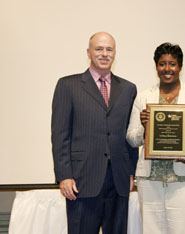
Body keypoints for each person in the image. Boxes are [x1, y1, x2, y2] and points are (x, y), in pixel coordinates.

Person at [51, 32, 138, 234]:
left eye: (109, 49)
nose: (104, 53)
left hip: (118, 180)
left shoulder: (128, 89)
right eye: (99, 49)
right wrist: (64, 176)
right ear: (89, 52)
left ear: (115, 53)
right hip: (82, 181)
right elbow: (60, 135)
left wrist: (131, 171)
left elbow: (130, 134)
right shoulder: (68, 86)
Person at [126, 42, 185, 234]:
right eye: (162, 64)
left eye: (172, 64)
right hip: (150, 178)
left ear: (180, 67)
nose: (167, 69)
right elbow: (131, 139)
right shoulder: (143, 97)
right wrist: (144, 129)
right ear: (156, 66)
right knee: (151, 230)